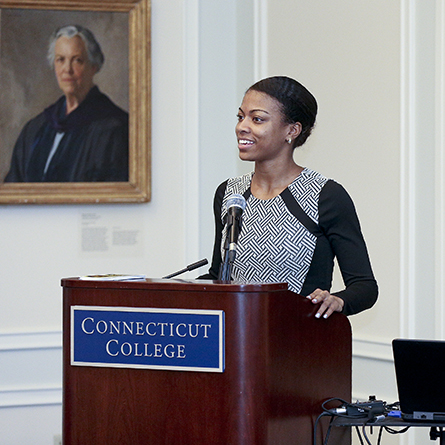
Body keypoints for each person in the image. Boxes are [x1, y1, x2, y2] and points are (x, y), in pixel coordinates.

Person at [202, 76, 378, 319]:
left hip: (298, 343)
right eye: (240, 116)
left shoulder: (325, 196)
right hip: (237, 342)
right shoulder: (229, 193)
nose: (242, 126)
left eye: (257, 119)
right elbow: (218, 276)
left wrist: (337, 300)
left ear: (292, 131)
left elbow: (365, 287)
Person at [4, 25, 128, 182]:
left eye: (77, 60)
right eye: (60, 60)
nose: (67, 69)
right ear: (54, 65)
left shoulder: (115, 129)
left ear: (93, 66)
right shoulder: (35, 129)